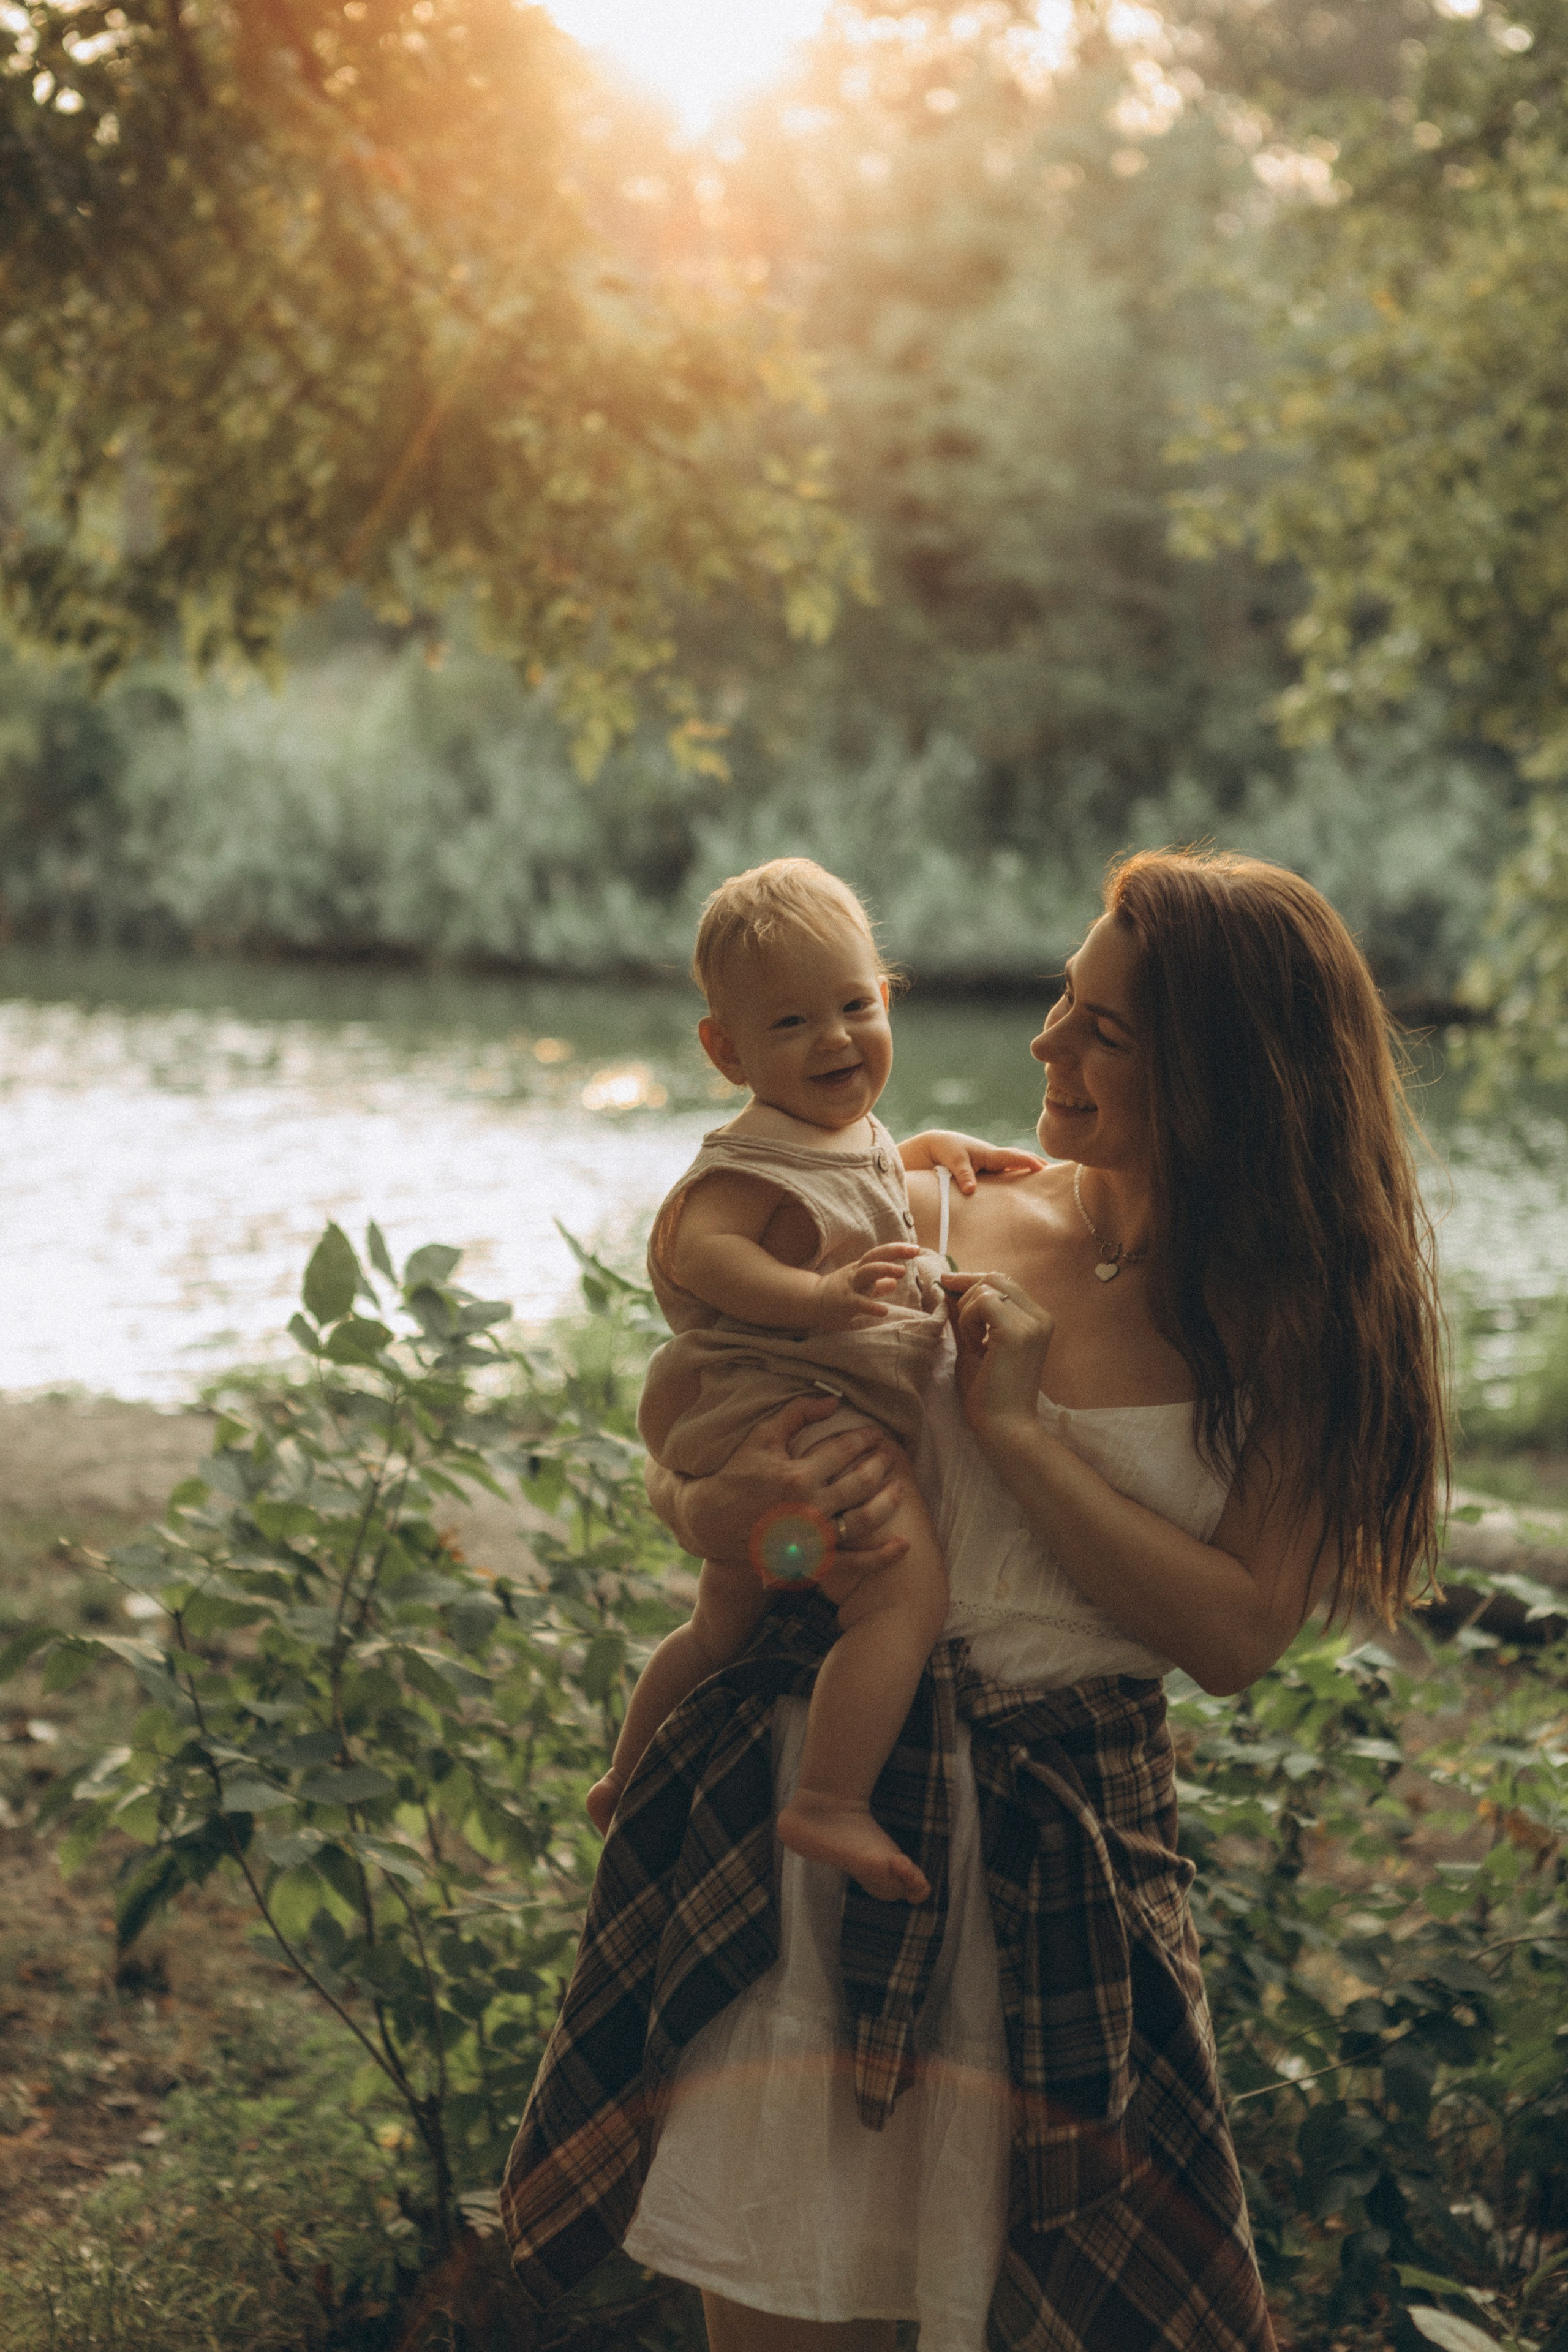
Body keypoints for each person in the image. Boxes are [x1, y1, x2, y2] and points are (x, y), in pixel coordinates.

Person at [502, 848, 1448, 2352]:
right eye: (1063, 1004)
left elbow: (1231, 1637)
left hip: (1067, 1869)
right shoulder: (933, 1203)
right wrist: (724, 1516)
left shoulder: (1307, 1326)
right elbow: (719, 1436)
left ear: (1229, 1077)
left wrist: (1017, 1426)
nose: (1042, 1048)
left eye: (1101, 1031)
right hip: (827, 1844)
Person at [588, 857, 1041, 1901]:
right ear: (725, 1048)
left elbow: (863, 1174)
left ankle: (624, 1776)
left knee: (719, 1624)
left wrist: (931, 1150)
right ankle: (831, 1799)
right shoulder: (747, 1160)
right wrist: (821, 1298)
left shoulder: (844, 1134)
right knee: (901, 1595)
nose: (835, 1038)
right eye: (791, 1025)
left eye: (853, 1004)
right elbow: (708, 1253)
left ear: (887, 995)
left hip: (761, 1418)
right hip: (782, 1413)